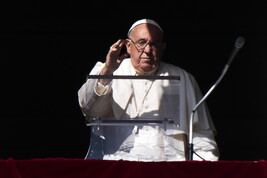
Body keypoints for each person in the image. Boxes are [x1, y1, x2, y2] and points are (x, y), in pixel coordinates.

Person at [78, 19, 219, 161]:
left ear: (163, 48)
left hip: (168, 167)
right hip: (118, 165)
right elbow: (89, 109)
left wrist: (204, 168)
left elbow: (201, 135)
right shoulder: (106, 71)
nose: (147, 50)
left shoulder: (182, 78)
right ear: (128, 45)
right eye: (141, 42)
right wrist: (107, 70)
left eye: (154, 44)